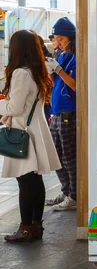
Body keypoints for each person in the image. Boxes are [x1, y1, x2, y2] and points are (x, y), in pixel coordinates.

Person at [0, 30, 61, 242]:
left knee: (25, 181)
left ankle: (25, 228)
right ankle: (36, 226)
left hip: (22, 133)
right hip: (35, 129)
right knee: (35, 180)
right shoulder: (36, 71)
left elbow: (15, 108)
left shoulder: (20, 73)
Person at [44, 17, 78, 211]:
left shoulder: (76, 56)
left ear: (70, 38)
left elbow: (75, 85)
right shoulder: (63, 55)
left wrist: (58, 68)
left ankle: (74, 195)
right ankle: (65, 191)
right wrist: (51, 69)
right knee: (56, 155)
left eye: (60, 39)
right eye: (55, 39)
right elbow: (55, 82)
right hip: (56, 111)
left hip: (69, 111)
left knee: (68, 156)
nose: (57, 42)